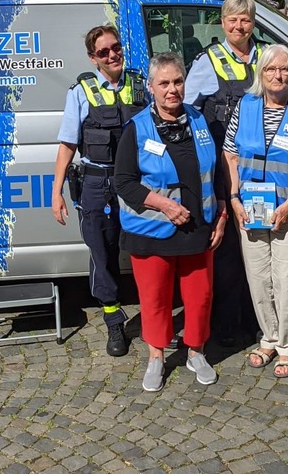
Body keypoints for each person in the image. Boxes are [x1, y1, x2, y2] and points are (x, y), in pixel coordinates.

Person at [114, 52, 229, 392]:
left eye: (177, 81)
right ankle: (156, 357)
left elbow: (216, 172)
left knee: (200, 297)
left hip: (198, 229)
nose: (172, 90)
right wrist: (164, 205)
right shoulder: (136, 128)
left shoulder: (199, 120)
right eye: (163, 83)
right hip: (152, 231)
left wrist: (221, 211)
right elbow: (124, 182)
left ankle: (196, 351)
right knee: (155, 299)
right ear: (151, 87)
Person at [224, 45, 288, 379]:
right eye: (271, 69)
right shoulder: (246, 104)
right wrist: (234, 196)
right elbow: (230, 155)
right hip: (251, 205)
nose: (278, 76)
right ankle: (268, 338)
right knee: (259, 278)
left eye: (284, 69)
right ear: (261, 73)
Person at [52, 25, 148, 357]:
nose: (112, 55)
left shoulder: (141, 86)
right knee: (102, 254)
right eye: (104, 51)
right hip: (97, 183)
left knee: (146, 248)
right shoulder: (80, 93)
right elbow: (67, 144)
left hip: (137, 183)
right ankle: (113, 322)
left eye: (116, 47)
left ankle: (152, 317)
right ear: (93, 58)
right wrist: (56, 191)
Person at [186, 0, 265, 346]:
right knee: (228, 248)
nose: (239, 26)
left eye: (245, 19)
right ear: (222, 23)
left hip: (262, 170)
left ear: (253, 21)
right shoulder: (208, 61)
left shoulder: (267, 57)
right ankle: (227, 324)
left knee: (259, 240)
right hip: (224, 169)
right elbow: (188, 114)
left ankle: (260, 319)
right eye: (232, 20)